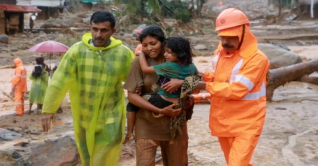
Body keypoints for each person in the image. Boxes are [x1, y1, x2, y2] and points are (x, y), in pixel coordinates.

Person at [40, 11, 134, 166]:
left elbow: (136, 80)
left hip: (111, 116)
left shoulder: (123, 54)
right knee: (87, 158)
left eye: (104, 30)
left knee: (102, 158)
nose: (98, 34)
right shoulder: (77, 51)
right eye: (95, 29)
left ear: (113, 31)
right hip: (84, 117)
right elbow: (59, 80)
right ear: (89, 28)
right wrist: (49, 109)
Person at [194, 8, 270, 165]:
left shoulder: (257, 59)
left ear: (243, 34)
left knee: (237, 163)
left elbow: (237, 89)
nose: (225, 42)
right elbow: (221, 77)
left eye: (231, 38)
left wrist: (204, 85)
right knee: (234, 162)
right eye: (222, 37)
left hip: (247, 123)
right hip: (224, 120)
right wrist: (203, 76)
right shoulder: (221, 52)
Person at [124, 25, 190, 166]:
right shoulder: (138, 63)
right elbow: (132, 97)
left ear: (163, 42)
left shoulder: (178, 60)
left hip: (175, 125)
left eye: (153, 43)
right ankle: (130, 133)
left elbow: (196, 86)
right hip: (146, 124)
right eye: (145, 45)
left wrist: (181, 82)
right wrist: (159, 110)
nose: (149, 48)